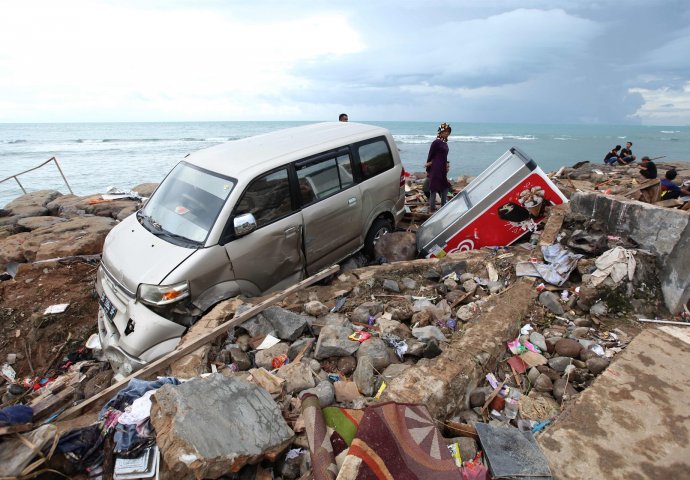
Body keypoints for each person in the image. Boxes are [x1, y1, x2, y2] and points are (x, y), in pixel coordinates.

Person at [425, 122, 452, 212]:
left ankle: (443, 205)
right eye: (445, 131)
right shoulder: (436, 142)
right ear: (440, 132)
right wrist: (428, 168)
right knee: (434, 188)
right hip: (436, 168)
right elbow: (430, 155)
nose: (447, 133)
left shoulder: (445, 143)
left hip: (442, 168)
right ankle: (432, 208)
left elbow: (444, 157)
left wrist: (446, 165)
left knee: (445, 186)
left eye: (448, 131)